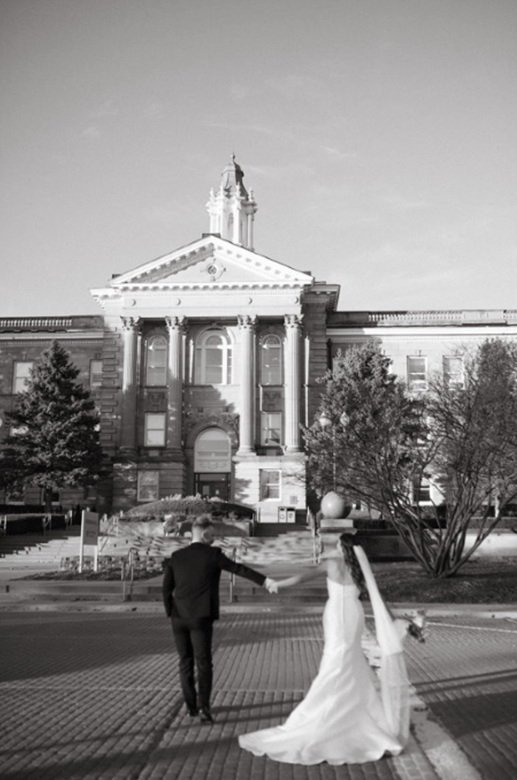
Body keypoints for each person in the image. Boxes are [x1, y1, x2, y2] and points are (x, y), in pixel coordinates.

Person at [238, 532, 415, 765]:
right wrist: (398, 621)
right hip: (354, 615)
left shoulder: (331, 563)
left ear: (341, 546)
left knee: (334, 661)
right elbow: (376, 594)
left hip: (336, 614)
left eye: (337, 543)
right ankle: (352, 710)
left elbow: (303, 577)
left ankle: (326, 712)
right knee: (349, 660)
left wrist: (277, 584)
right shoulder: (359, 567)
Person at [162, 514, 278, 724]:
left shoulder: (176, 556)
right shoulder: (212, 554)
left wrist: (170, 611)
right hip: (201, 617)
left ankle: (191, 708)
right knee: (204, 662)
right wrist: (265, 581)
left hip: (179, 617)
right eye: (213, 535)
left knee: (185, 662)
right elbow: (238, 568)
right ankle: (204, 707)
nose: (214, 538)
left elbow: (166, 587)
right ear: (205, 534)